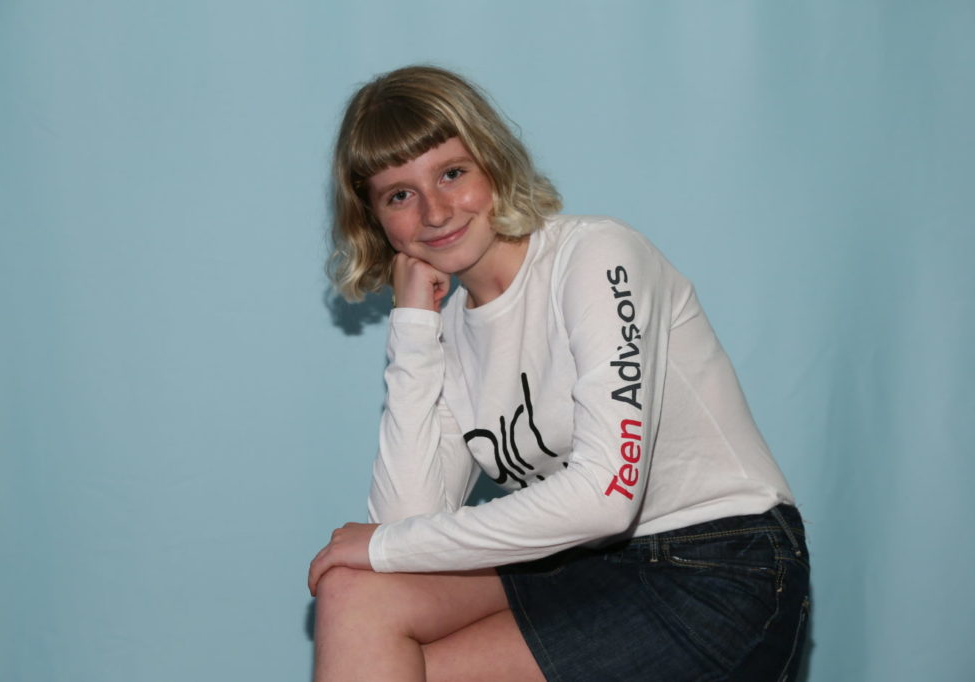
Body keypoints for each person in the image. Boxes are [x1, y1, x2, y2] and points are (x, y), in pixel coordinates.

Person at [308, 65, 810, 682]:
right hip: (578, 562)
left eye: (452, 173)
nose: (434, 212)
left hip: (716, 562)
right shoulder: (452, 330)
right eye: (400, 195)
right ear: (377, 220)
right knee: (355, 594)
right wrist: (414, 326)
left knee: (374, 579)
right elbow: (406, 526)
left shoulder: (595, 256)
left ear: (493, 163)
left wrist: (382, 546)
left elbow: (607, 498)